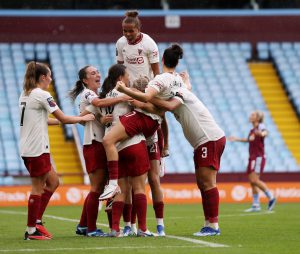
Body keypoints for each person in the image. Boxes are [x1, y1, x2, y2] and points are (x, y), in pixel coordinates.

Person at [19, 61, 95, 240]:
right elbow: (62, 117)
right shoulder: (42, 94)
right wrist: (82, 118)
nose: (51, 79)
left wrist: (68, 119)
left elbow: (44, 120)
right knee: (37, 188)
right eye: (50, 76)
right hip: (37, 148)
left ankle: (36, 220)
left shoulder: (26, 94)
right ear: (43, 77)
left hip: (29, 146)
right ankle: (32, 230)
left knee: (53, 182)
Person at [99, 44, 184, 201]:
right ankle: (150, 225)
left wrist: (127, 92)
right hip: (153, 125)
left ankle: (112, 185)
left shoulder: (158, 80)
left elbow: (144, 100)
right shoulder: (179, 80)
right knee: (146, 182)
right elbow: (163, 111)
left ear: (162, 59)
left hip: (141, 123)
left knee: (108, 141)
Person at [116, 11, 167, 236]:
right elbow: (120, 72)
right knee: (130, 175)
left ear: (139, 28)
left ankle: (160, 224)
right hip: (129, 99)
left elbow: (158, 75)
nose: (127, 34)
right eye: (125, 31)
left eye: (131, 30)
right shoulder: (120, 44)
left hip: (146, 98)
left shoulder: (150, 44)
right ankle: (130, 225)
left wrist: (148, 96)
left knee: (153, 177)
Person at [87, 64, 153, 237]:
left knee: (120, 191)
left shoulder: (104, 95)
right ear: (120, 78)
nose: (128, 78)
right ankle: (142, 229)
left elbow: (93, 113)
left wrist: (101, 118)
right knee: (139, 189)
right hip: (132, 142)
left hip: (115, 148)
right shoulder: (125, 93)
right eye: (127, 75)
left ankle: (115, 229)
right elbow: (144, 106)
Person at [69, 65, 125, 237]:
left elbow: (84, 117)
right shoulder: (88, 93)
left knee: (99, 187)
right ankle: (91, 229)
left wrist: (100, 118)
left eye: (98, 72)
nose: (98, 75)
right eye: (93, 73)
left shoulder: (95, 94)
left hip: (98, 143)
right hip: (94, 143)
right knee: (97, 188)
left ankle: (83, 226)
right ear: (85, 80)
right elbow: (97, 105)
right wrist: (124, 97)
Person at [229, 111, 276, 212]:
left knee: (254, 180)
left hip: (259, 157)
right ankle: (256, 205)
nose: (250, 116)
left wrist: (262, 133)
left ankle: (271, 197)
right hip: (252, 158)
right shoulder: (252, 130)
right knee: (251, 181)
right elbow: (248, 140)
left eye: (253, 115)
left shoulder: (260, 126)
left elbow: (265, 132)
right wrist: (236, 139)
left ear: (258, 118)